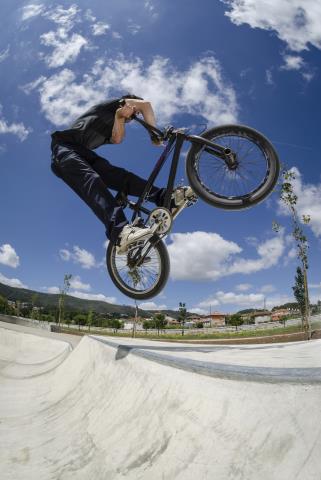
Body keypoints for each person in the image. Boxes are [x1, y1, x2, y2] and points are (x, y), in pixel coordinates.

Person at [50, 94, 194, 253]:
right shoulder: (112, 106)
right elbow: (145, 105)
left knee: (120, 177)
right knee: (92, 180)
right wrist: (154, 133)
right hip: (64, 148)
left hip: (84, 153)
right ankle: (119, 231)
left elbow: (117, 138)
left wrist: (120, 118)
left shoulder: (117, 120)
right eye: (135, 113)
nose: (135, 116)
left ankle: (165, 197)